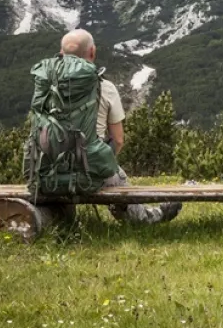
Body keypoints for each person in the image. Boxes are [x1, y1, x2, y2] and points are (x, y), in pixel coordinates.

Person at [59, 29, 181, 225]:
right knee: (118, 181)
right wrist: (104, 162)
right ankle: (153, 216)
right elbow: (118, 140)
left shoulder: (46, 86)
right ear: (92, 52)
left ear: (61, 53)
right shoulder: (104, 87)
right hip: (89, 171)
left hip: (48, 169)